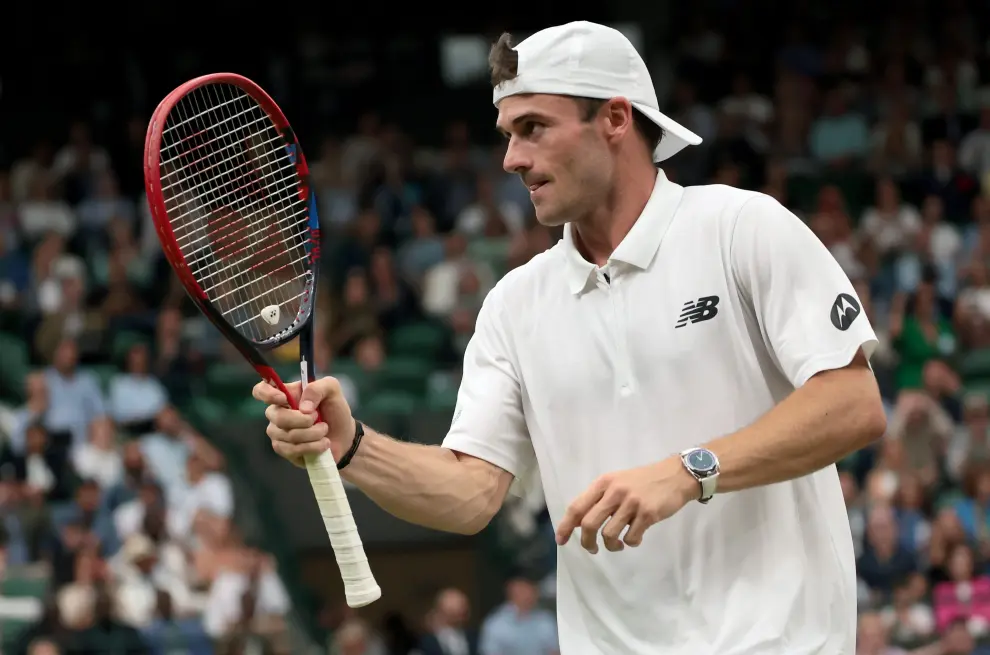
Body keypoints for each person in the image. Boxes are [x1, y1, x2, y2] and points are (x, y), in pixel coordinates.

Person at [255, 21, 886, 654]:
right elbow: (471, 493)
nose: (511, 159)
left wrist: (688, 472)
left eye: (533, 128)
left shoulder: (742, 229)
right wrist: (353, 446)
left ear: (615, 118)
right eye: (506, 135)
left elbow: (853, 404)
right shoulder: (512, 306)